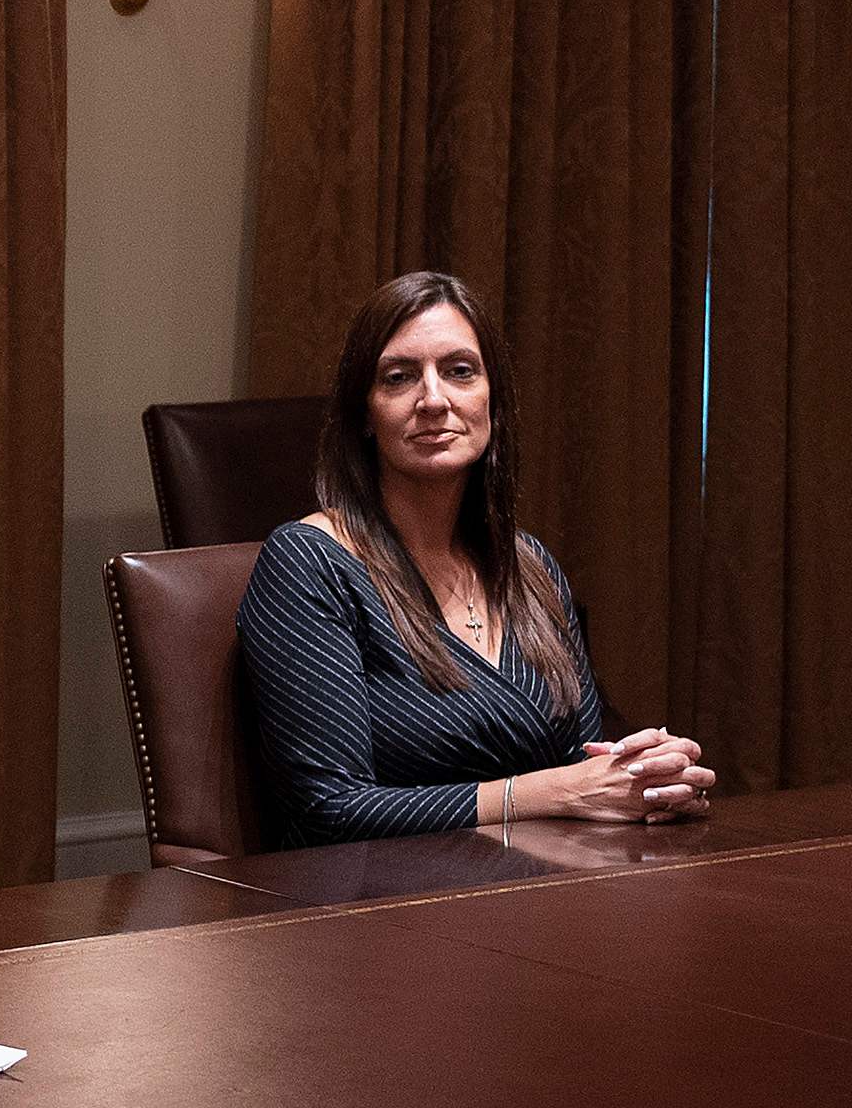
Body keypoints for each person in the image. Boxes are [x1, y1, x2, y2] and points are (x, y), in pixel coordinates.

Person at [232, 271, 711, 847]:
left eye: (460, 371)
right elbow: (329, 809)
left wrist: (646, 778)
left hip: (538, 890)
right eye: (399, 377)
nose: (433, 400)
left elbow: (583, 760)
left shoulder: (527, 564)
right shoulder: (308, 562)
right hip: (376, 912)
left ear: (493, 401)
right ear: (364, 412)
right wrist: (553, 793)